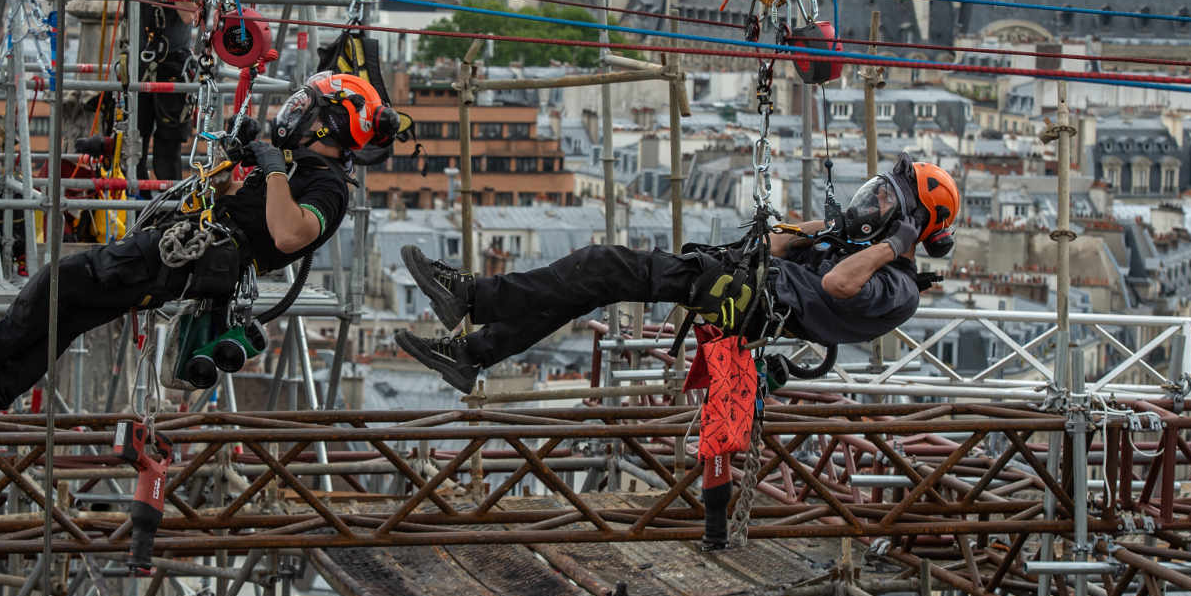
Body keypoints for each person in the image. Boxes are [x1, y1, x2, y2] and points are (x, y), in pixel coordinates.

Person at [0, 70, 395, 452]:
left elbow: (289, 235)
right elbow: (238, 204)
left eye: (306, 109)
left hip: (176, 260)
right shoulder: (295, 168)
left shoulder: (326, 184)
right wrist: (241, 167)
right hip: (182, 257)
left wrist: (273, 171)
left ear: (328, 122)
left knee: (52, 287)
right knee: (64, 318)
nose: (293, 116)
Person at [396, 158, 960, 393]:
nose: (873, 203)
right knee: (591, 285)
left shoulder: (898, 287)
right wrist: (839, 224)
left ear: (911, 225)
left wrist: (891, 246)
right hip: (739, 284)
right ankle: (474, 354)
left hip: (747, 301)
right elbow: (775, 242)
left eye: (886, 200)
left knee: (598, 265)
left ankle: (472, 296)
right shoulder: (855, 247)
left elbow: (837, 289)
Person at [137, 0, 196, 182]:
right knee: (134, 140)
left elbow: (188, 14)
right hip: (139, 63)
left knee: (168, 144)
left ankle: (167, 207)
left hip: (172, 65)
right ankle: (135, 201)